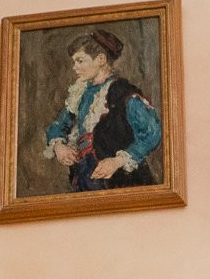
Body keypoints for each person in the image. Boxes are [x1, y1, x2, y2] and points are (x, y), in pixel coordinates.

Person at [42, 29, 161, 191]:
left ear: (101, 59)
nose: (74, 67)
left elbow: (152, 132)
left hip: (120, 181)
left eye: (80, 61)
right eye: (74, 62)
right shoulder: (79, 94)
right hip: (84, 176)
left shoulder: (125, 94)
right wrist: (59, 147)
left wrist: (117, 161)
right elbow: (57, 126)